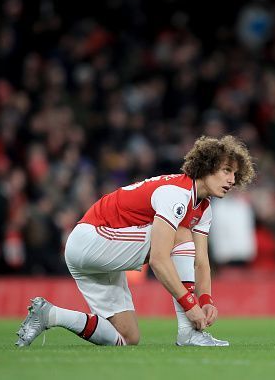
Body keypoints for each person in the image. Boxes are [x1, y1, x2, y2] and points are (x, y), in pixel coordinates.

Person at [15, 135, 255, 347]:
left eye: (235, 173)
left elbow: (201, 261)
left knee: (127, 337)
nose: (232, 179)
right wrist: (190, 306)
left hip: (101, 251)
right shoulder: (177, 194)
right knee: (180, 233)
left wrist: (205, 300)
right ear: (207, 167)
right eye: (226, 170)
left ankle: (50, 315)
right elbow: (160, 260)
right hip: (91, 238)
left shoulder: (203, 207)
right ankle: (188, 334)